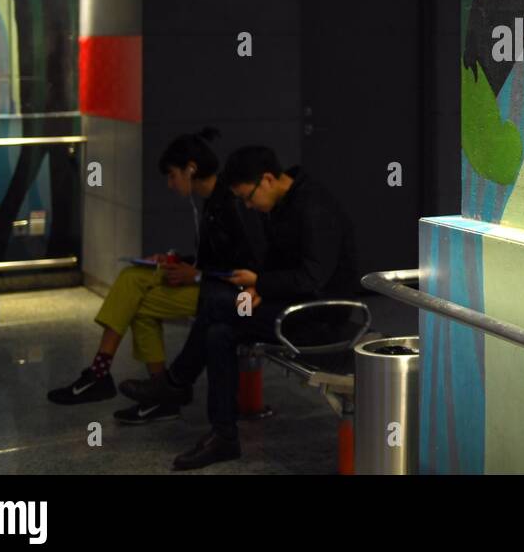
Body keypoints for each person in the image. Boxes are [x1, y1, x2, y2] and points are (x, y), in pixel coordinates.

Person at [119, 146, 356, 470]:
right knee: (219, 331)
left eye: (248, 197)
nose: (247, 206)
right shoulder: (282, 204)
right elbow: (278, 266)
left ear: (268, 180)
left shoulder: (314, 207)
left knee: (217, 303)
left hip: (316, 316)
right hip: (283, 302)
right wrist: (257, 285)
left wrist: (262, 282)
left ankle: (174, 384)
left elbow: (313, 276)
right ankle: (223, 436)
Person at [47, 128, 264, 423]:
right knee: (135, 281)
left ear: (191, 169)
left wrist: (197, 274)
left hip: (233, 294)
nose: (170, 184)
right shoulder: (214, 202)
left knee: (135, 292)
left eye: (173, 175)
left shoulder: (232, 203)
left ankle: (110, 377)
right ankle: (155, 393)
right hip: (210, 283)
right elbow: (216, 257)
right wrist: (177, 261)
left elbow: (245, 266)